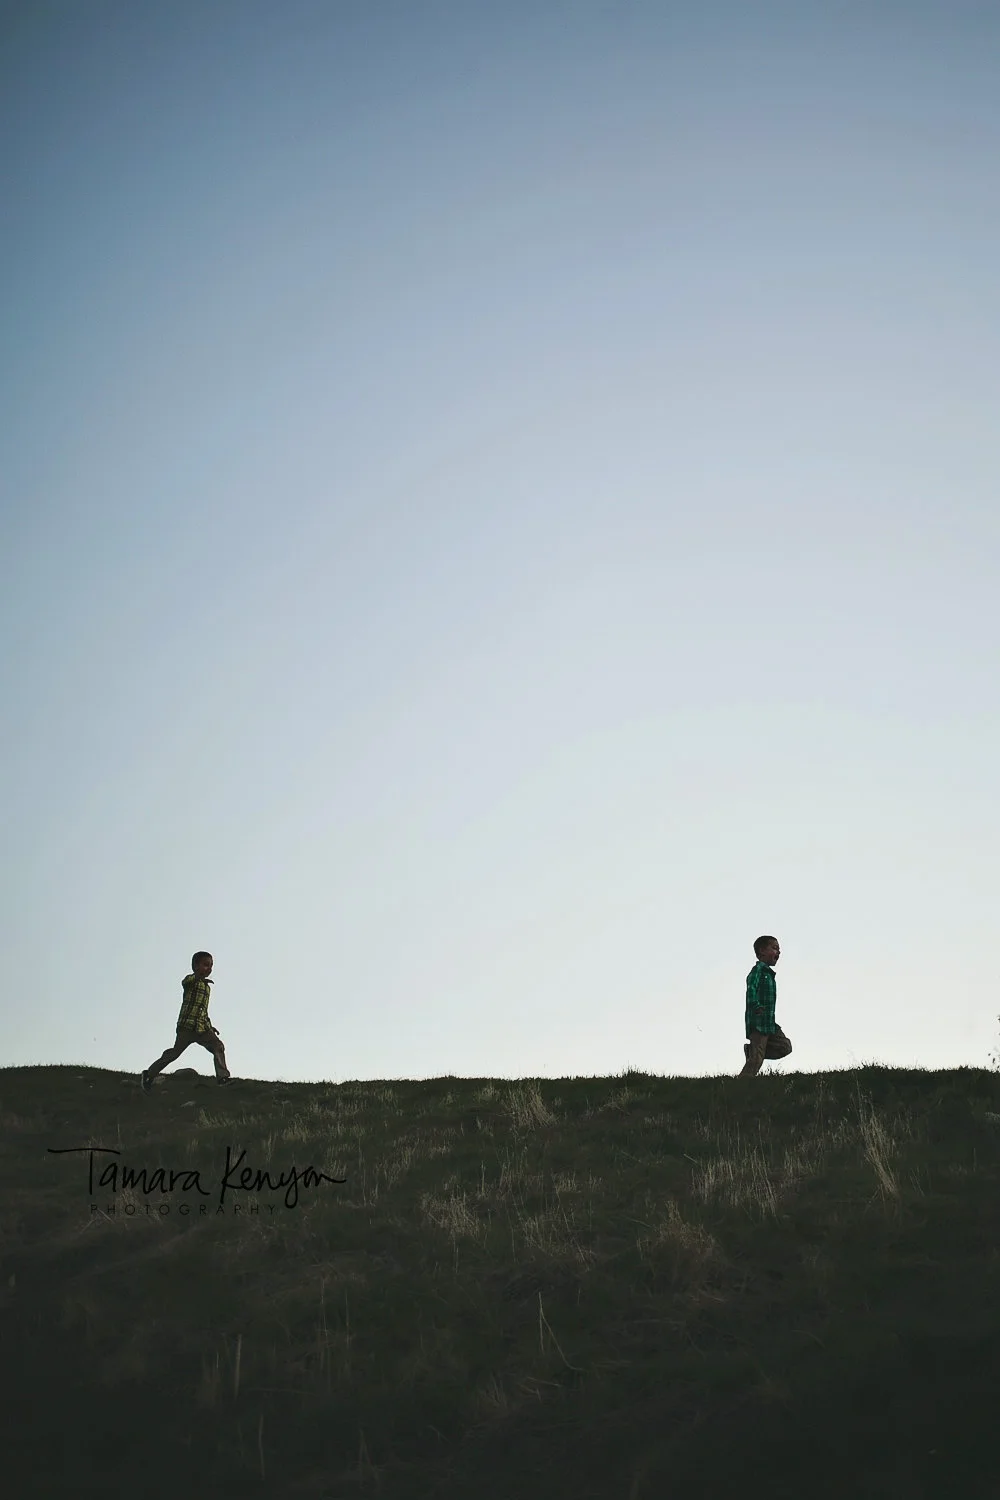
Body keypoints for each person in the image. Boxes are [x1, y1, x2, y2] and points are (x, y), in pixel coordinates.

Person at [141, 951, 232, 1091]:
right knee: (174, 1053)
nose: (209, 968)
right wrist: (197, 976)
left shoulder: (207, 988)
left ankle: (223, 1078)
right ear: (195, 966)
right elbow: (186, 981)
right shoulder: (190, 981)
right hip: (187, 1027)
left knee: (218, 1046)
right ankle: (149, 1074)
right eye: (205, 965)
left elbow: (203, 1010)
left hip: (202, 1028)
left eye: (211, 966)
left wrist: (210, 1026)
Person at [739, 935, 792, 1076]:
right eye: (774, 948)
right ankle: (743, 1082)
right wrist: (755, 1006)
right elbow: (751, 988)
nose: (778, 952)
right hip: (758, 1022)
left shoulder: (769, 974)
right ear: (762, 951)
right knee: (756, 1060)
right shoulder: (758, 971)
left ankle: (753, 1051)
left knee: (785, 1046)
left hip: (769, 1023)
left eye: (779, 949)